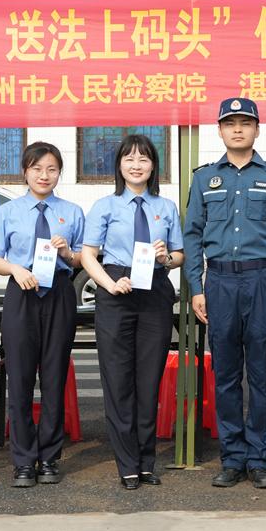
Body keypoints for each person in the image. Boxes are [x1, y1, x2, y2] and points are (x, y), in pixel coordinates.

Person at [183, 97, 266, 490]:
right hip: (219, 284)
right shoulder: (204, 178)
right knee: (226, 375)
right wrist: (196, 287)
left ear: (257, 130)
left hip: (262, 283)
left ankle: (261, 459)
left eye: (245, 123)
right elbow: (192, 235)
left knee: (262, 375)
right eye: (230, 123)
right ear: (220, 130)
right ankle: (232, 458)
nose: (238, 129)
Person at [80, 134, 184, 490]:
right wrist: (109, 285)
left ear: (153, 166)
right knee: (118, 380)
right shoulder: (105, 206)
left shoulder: (165, 207)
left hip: (154, 289)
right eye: (129, 159)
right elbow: (88, 254)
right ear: (119, 165)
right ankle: (126, 464)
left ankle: (145, 462)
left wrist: (166, 258)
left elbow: (179, 255)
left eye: (143, 159)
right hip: (117, 290)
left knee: (148, 380)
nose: (136, 165)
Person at [0, 142, 84, 488]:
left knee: (54, 378)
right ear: (25, 172)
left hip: (59, 293)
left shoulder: (72, 212)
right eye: (37, 168)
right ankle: (24, 460)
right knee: (21, 378)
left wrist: (67, 252)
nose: (44, 175)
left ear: (59, 173)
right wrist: (15, 269)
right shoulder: (8, 212)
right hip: (22, 293)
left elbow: (82, 259)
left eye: (52, 169)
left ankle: (50, 458)